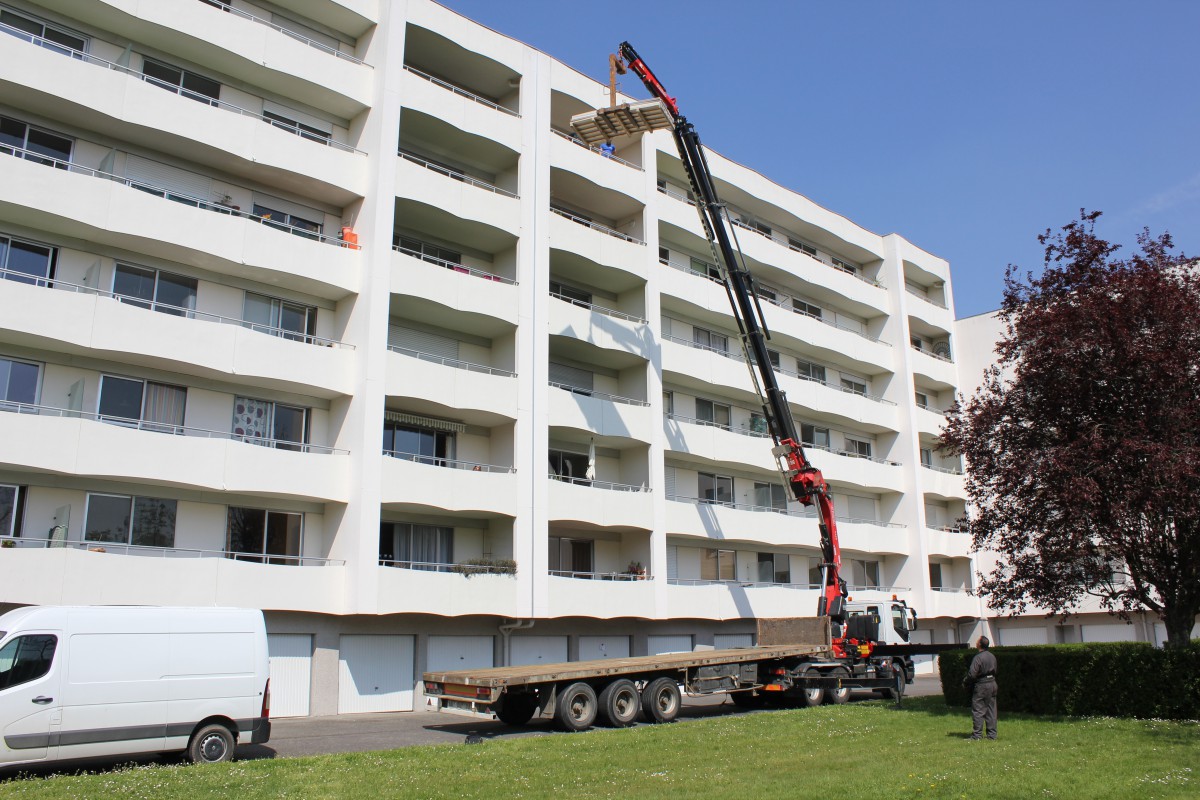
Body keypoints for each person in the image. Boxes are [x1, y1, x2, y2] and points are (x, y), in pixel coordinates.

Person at [963, 635, 998, 740]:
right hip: (992, 683)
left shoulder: (978, 657)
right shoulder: (992, 656)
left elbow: (972, 674)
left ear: (979, 644)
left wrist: (965, 681)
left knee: (978, 710)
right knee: (991, 710)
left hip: (982, 685)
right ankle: (992, 735)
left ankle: (977, 735)